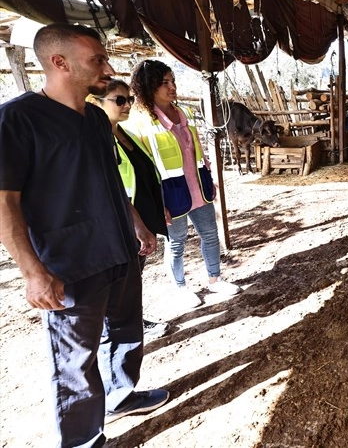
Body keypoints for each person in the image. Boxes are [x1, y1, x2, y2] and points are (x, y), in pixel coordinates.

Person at [0, 23, 169, 448]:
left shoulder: (95, 118)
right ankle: (82, 441)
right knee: (75, 361)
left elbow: (109, 178)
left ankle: (122, 395)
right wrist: (32, 272)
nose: (108, 68)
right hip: (70, 261)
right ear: (59, 62)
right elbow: (4, 202)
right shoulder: (17, 119)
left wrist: (138, 225)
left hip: (119, 248)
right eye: (97, 60)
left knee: (127, 330)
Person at [128, 59, 241, 308]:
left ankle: (215, 279)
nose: (172, 87)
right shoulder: (139, 123)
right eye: (164, 83)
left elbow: (196, 150)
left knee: (210, 233)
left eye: (173, 81)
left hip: (197, 186)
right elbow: (144, 170)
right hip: (170, 194)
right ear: (149, 86)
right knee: (176, 242)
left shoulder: (184, 113)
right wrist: (158, 203)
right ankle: (180, 288)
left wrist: (208, 177)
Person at [91, 79, 170, 339]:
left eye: (130, 99)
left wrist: (158, 208)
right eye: (119, 100)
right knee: (120, 283)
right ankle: (120, 331)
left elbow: (145, 176)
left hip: (141, 221)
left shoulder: (126, 134)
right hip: (121, 223)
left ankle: (133, 322)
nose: (127, 105)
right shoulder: (98, 140)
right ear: (96, 103)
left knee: (133, 279)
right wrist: (136, 224)